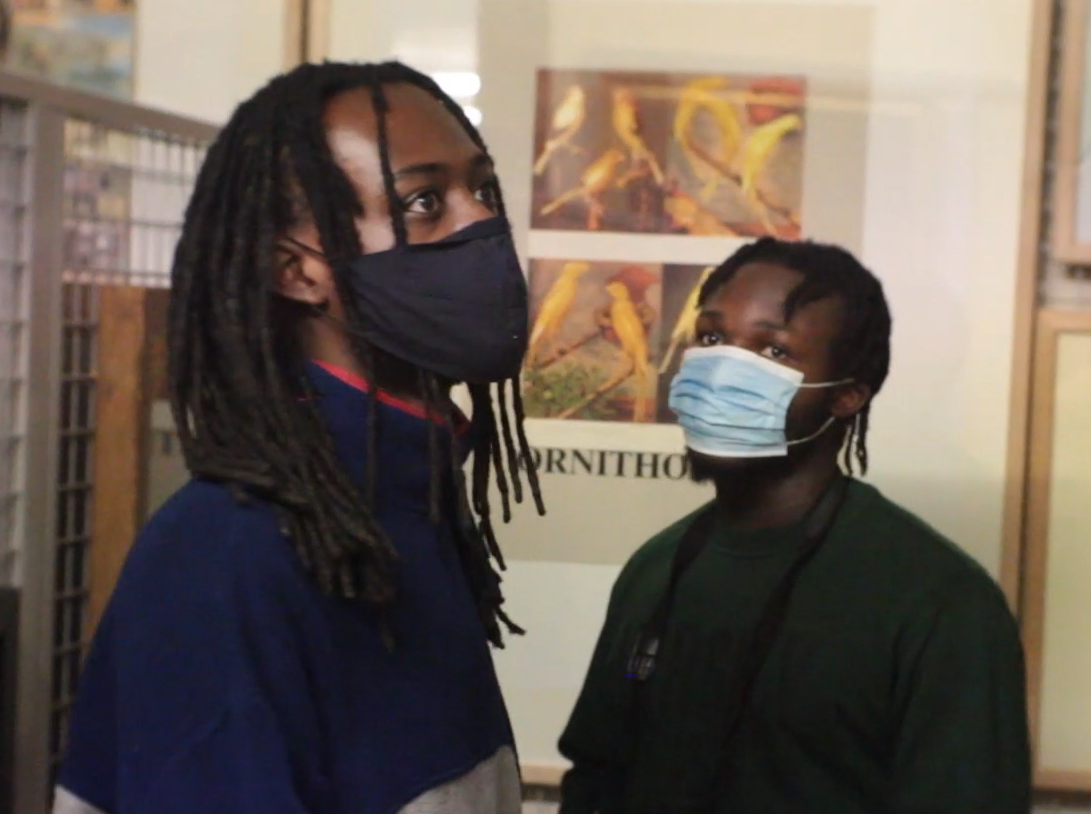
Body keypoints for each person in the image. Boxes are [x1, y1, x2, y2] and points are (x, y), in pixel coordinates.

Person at [53, 61, 544, 814]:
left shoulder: (405, 500)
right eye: (422, 201)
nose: (480, 222)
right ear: (296, 269)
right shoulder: (229, 557)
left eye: (483, 188)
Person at [558, 238, 1031, 814]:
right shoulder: (656, 568)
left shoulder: (939, 603)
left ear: (847, 396)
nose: (725, 366)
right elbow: (595, 778)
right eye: (711, 337)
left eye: (774, 352)